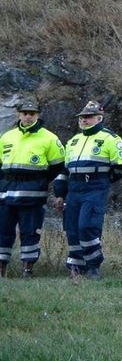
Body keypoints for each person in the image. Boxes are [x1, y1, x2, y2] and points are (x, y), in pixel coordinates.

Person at [53, 101, 122, 281]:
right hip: (74, 189)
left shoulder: (110, 138)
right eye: (82, 117)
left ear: (99, 118)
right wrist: (59, 193)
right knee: (72, 229)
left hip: (94, 188)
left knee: (87, 226)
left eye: (88, 117)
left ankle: (93, 265)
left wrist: (104, 180)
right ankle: (76, 268)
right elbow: (64, 171)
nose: (84, 120)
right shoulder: (74, 141)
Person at [0, 95, 65, 278]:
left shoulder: (49, 138)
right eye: (25, 113)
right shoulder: (7, 137)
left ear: (38, 115)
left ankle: (27, 268)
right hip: (6, 194)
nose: (28, 116)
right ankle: (1, 268)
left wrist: (40, 181)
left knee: (30, 233)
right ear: (19, 114)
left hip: (32, 195)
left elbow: (58, 166)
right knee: (3, 232)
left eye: (32, 113)